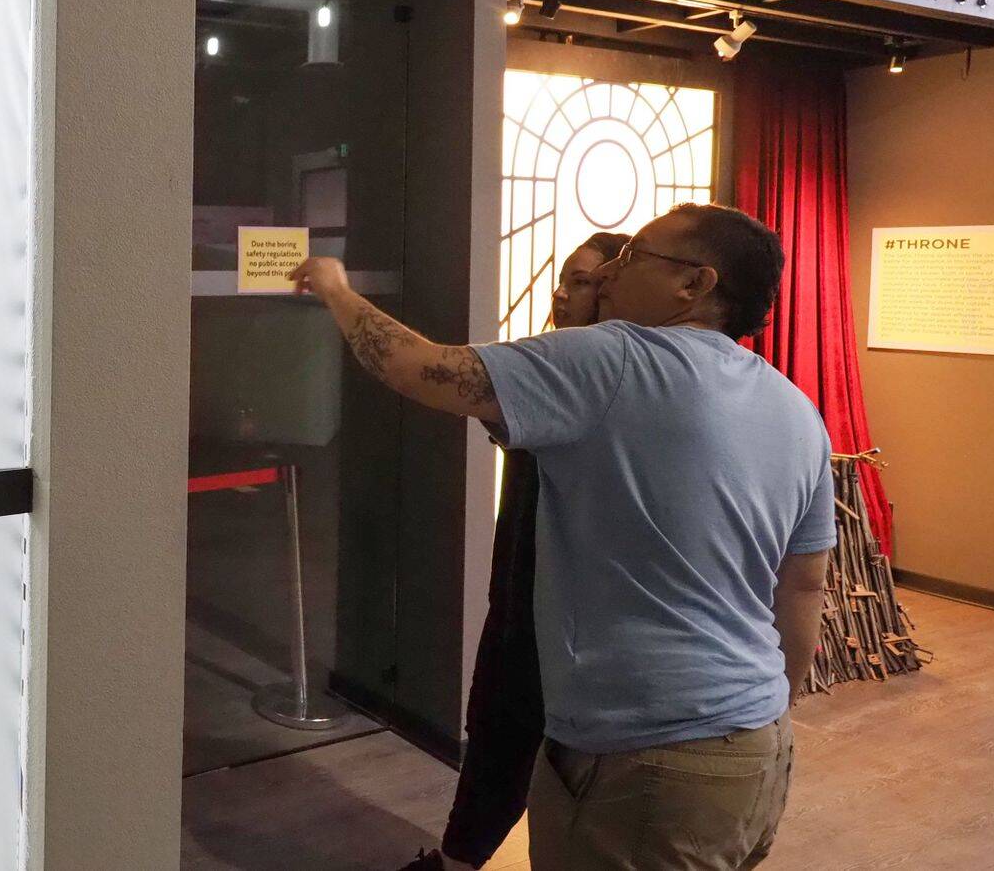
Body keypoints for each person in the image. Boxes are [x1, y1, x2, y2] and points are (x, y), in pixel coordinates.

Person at [292, 204, 832, 871]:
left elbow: (415, 366)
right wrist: (764, 713)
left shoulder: (611, 358)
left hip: (648, 757)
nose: (608, 271)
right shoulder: (795, 408)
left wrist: (335, 287)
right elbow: (804, 584)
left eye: (634, 256)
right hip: (757, 744)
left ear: (694, 284)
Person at [399, 230, 630, 871]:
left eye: (581, 281)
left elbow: (420, 368)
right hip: (521, 599)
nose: (561, 290)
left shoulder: (613, 382)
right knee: (498, 735)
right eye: (565, 276)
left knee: (543, 757)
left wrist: (336, 290)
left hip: (574, 620)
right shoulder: (557, 368)